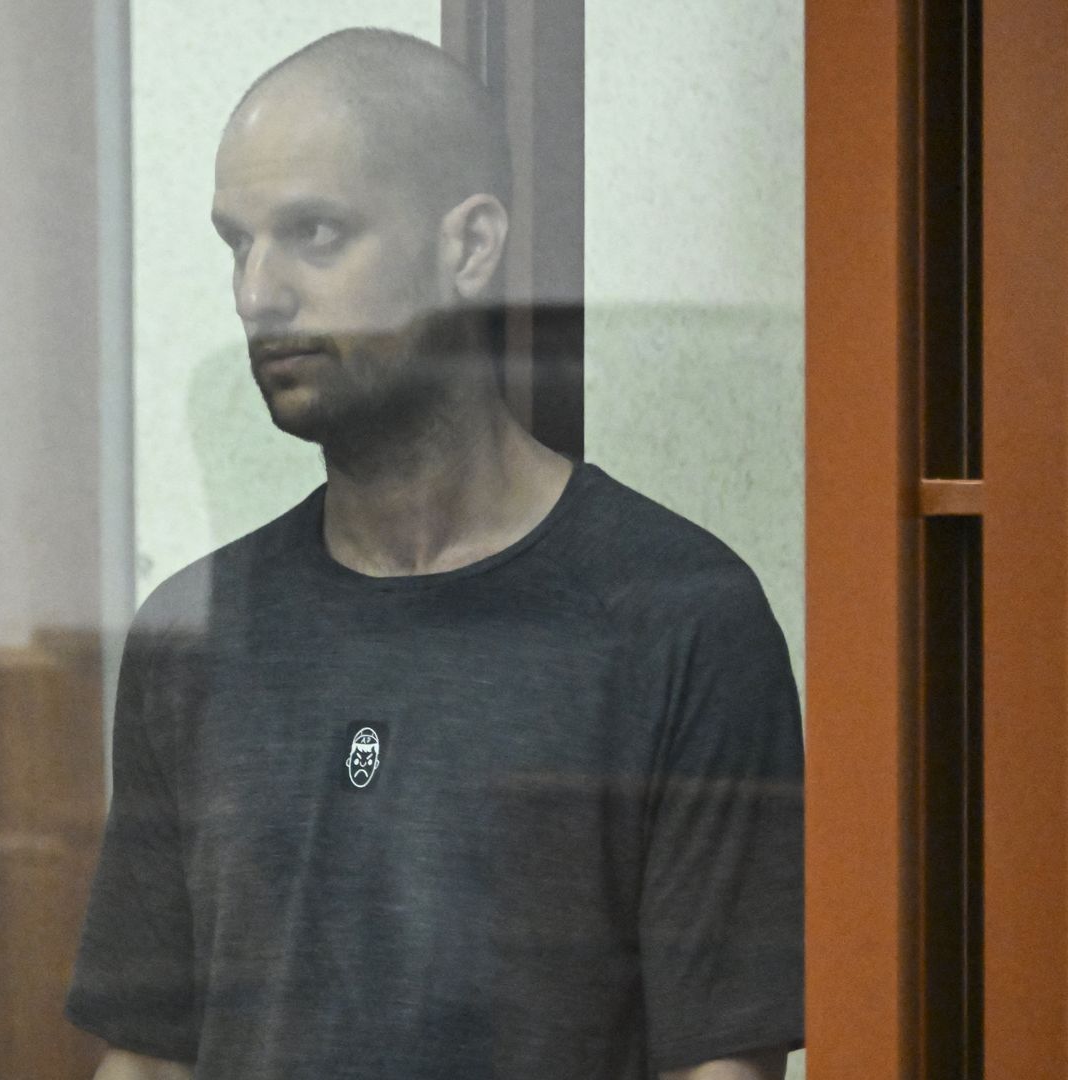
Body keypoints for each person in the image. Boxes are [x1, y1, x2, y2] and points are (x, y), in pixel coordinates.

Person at [66, 29, 802, 1080]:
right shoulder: (194, 633)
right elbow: (145, 1059)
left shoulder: (677, 616)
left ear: (468, 247)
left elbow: (722, 1069)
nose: (256, 292)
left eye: (313, 233)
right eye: (238, 243)